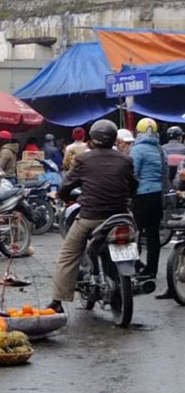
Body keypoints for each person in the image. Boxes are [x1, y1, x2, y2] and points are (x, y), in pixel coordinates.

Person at [46, 119, 137, 313]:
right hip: (121, 216)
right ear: (114, 138)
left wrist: (61, 196)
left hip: (91, 217)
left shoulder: (83, 159)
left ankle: (57, 301)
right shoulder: (126, 159)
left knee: (68, 255)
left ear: (92, 138)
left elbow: (65, 185)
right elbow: (133, 186)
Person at [130, 117, 166, 279]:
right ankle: (152, 269)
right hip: (158, 196)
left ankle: (135, 266)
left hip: (142, 195)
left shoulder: (137, 149)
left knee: (135, 232)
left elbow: (133, 173)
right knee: (153, 234)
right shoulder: (160, 150)